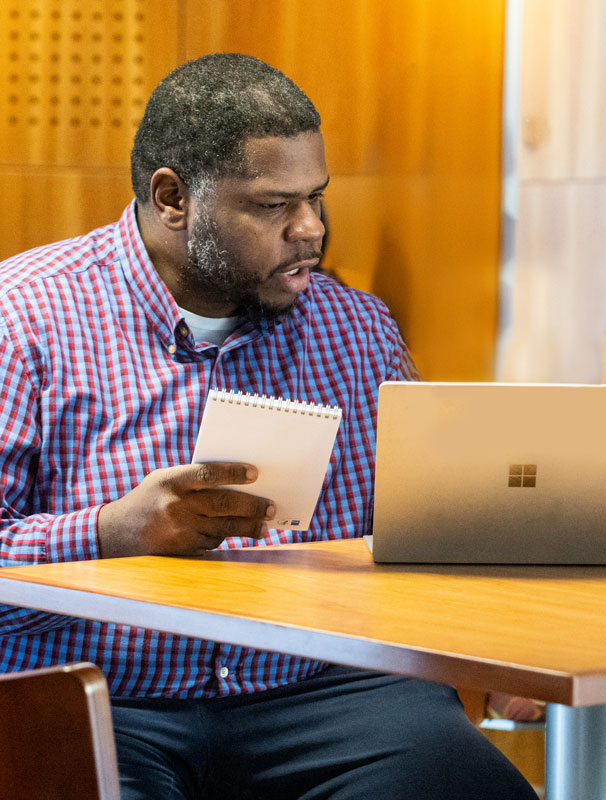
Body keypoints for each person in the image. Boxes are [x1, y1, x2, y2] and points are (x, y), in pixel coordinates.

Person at [0, 53, 536, 800]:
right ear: (173, 198)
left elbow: (426, 531)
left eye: (316, 197)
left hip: (326, 694)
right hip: (107, 698)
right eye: (272, 205)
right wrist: (111, 533)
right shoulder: (24, 320)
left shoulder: (357, 330)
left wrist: (503, 635)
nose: (310, 229)